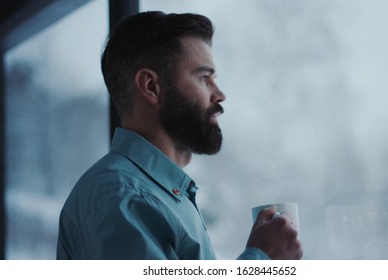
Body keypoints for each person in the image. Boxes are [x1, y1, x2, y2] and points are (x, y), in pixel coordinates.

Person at [57, 11, 302, 260]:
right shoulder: (123, 198)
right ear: (151, 86)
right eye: (203, 78)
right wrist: (262, 259)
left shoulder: (158, 196)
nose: (220, 94)